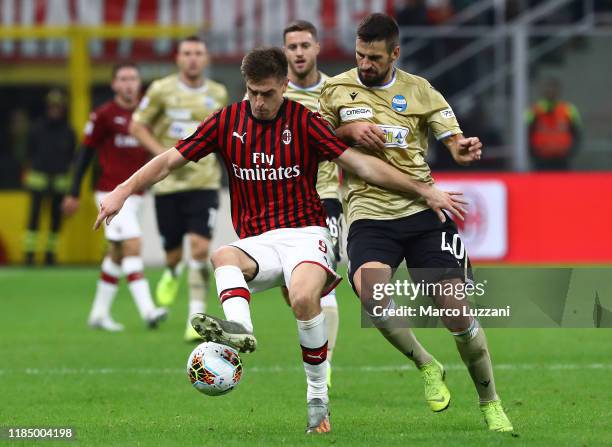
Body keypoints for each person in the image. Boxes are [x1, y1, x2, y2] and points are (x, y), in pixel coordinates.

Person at [94, 47, 467, 434]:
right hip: (259, 240)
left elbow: (361, 164)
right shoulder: (226, 121)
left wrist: (423, 191)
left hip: (307, 234)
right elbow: (169, 160)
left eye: (268, 93)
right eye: (253, 92)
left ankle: (317, 399)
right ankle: (240, 329)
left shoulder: (305, 122)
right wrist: (122, 190)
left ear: (284, 86)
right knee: (223, 255)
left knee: (305, 298)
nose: (259, 102)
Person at [317, 13, 513, 432]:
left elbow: (453, 140)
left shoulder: (420, 90)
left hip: (426, 213)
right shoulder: (335, 90)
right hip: (370, 212)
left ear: (395, 54)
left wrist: (463, 149)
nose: (365, 64)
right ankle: (426, 364)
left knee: (456, 313)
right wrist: (350, 130)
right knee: (371, 294)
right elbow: (317, 143)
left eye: (374, 57)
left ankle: (490, 401)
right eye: (359, 55)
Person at [130, 35, 228, 341]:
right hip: (168, 185)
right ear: (177, 58)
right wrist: (162, 153)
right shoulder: (161, 90)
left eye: (198, 53)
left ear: (206, 58)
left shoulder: (218, 93)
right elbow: (136, 125)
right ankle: (172, 272)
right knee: (173, 255)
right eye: (187, 53)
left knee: (199, 249)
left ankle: (194, 318)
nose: (193, 58)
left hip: (204, 183)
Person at [62, 62, 167, 331]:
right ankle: (148, 311)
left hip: (139, 194)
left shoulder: (148, 114)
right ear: (114, 85)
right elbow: (84, 154)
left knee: (117, 255)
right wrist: (74, 191)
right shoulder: (104, 115)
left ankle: (98, 314)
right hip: (110, 193)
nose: (129, 83)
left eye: (133, 78)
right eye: (123, 79)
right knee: (132, 246)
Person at [282, 20, 340, 388]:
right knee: (296, 293)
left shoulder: (338, 90)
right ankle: (318, 349)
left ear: (318, 48)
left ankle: (326, 366)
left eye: (305, 45)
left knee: (322, 287)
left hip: (326, 200)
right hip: (281, 206)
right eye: (292, 47)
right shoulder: (271, 92)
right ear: (284, 51)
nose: (300, 52)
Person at [23, 89, 76, 266]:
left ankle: (50, 254)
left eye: (58, 106)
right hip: (38, 178)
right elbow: (28, 152)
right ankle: (29, 254)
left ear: (63, 108)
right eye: (52, 106)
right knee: (34, 217)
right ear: (47, 107)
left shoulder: (68, 131)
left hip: (60, 180)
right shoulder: (37, 128)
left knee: (55, 219)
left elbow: (72, 156)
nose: (55, 110)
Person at [527, 77, 581, 170]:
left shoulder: (568, 110)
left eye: (553, 88)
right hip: (541, 161)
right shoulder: (534, 111)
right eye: (548, 88)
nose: (551, 91)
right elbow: (526, 134)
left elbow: (577, 135)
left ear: (558, 91)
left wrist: (569, 153)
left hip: (562, 160)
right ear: (543, 91)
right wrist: (534, 155)